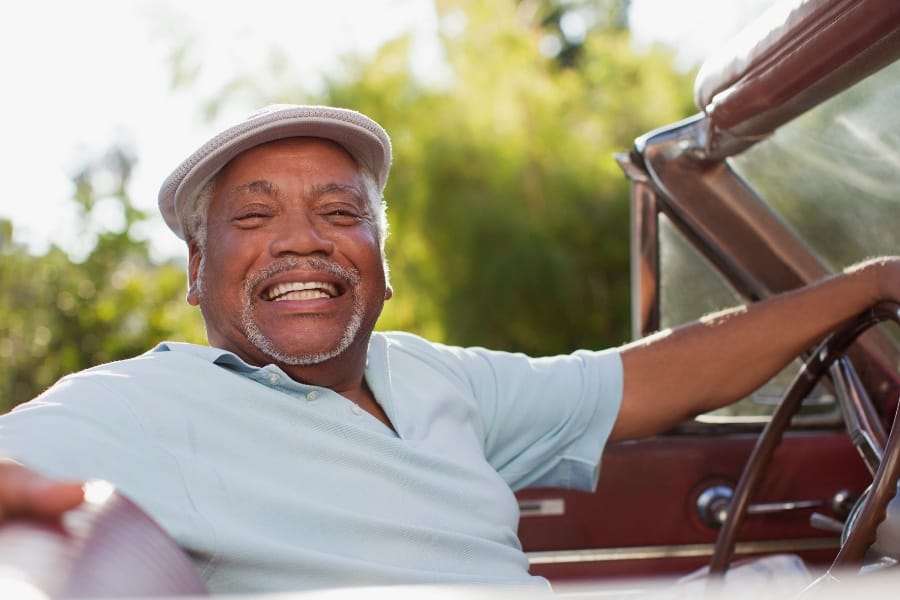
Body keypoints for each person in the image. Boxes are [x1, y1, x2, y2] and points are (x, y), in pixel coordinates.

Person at [0, 104, 897, 595]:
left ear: (381, 268)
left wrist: (866, 283)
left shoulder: (434, 377)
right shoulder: (133, 408)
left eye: (341, 214)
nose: (304, 241)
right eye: (256, 216)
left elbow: (648, 377)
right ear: (198, 270)